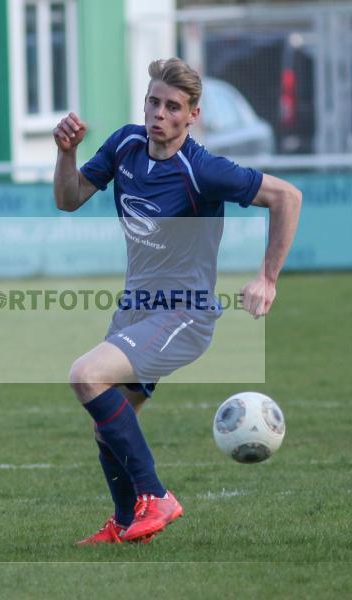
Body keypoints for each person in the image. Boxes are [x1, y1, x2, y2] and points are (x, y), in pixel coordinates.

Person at [53, 58, 302, 544]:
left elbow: (287, 197)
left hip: (183, 314)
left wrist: (267, 279)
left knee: (86, 375)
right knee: (108, 428)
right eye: (153, 102)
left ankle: (156, 496)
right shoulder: (125, 144)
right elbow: (68, 199)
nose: (159, 114)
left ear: (193, 115)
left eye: (172, 107)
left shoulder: (202, 168)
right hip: (136, 310)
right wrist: (66, 153)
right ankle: (127, 524)